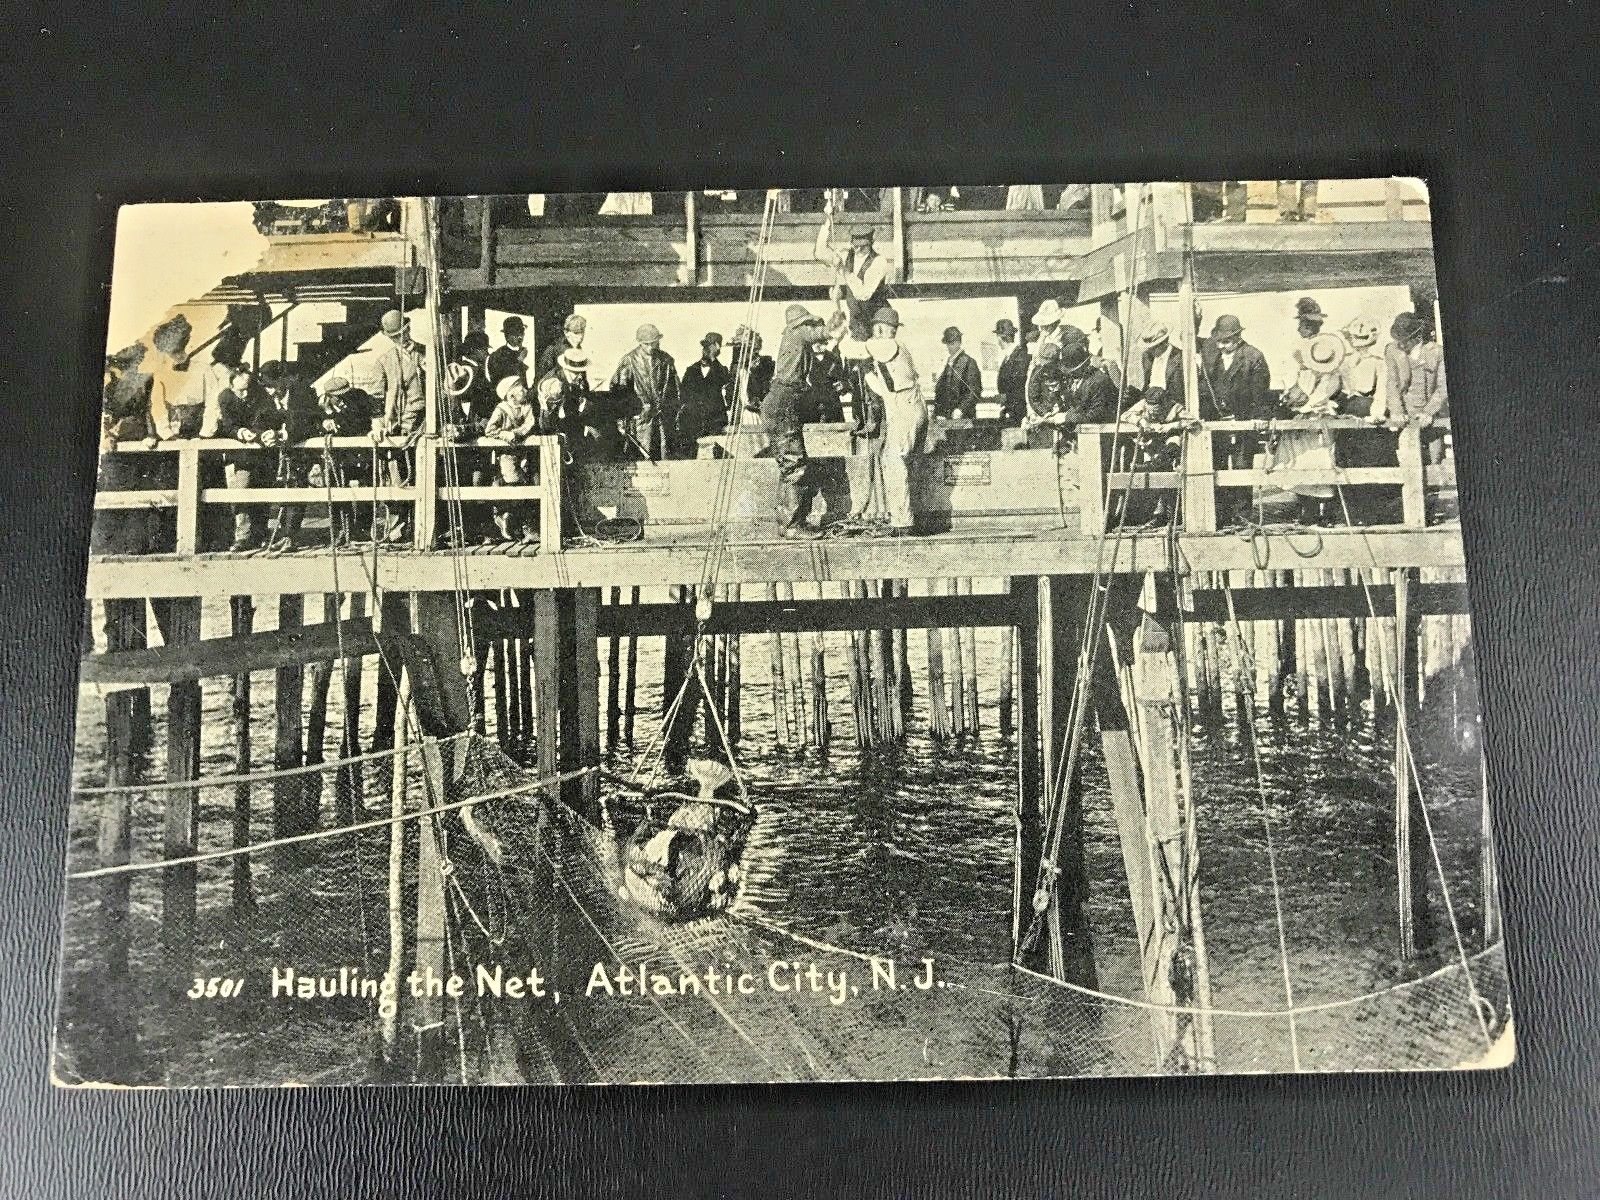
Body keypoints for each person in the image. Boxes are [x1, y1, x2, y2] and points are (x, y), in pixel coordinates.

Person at [762, 304, 839, 539]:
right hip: (784, 402)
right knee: (795, 466)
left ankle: (787, 523)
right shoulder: (797, 334)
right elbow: (823, 334)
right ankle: (794, 525)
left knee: (789, 466)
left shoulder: (791, 339)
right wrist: (835, 324)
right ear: (800, 324)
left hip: (780, 402)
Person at [1198, 314, 1273, 523]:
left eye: (1226, 341)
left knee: (1241, 466)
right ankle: (1221, 515)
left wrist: (1258, 417)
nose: (1221, 346)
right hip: (1218, 422)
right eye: (1219, 341)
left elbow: (1261, 392)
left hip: (1243, 421)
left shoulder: (1253, 356)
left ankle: (1243, 516)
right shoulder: (1212, 356)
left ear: (1238, 337)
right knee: (1218, 465)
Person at [862, 307, 929, 536]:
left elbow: (864, 347)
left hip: (905, 409)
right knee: (905, 462)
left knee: (895, 461)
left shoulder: (890, 345)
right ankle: (909, 517)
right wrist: (869, 377)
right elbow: (886, 389)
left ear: (880, 328)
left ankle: (903, 523)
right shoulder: (895, 351)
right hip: (906, 406)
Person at [1267, 332, 1346, 525]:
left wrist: (1306, 407)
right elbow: (1294, 396)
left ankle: (1326, 512)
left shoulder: (1333, 377)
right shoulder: (1304, 374)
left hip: (1319, 425)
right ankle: (1307, 510)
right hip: (1300, 425)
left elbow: (1321, 399)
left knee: (1322, 462)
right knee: (1300, 463)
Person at [369, 309, 425, 543]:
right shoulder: (384, 362)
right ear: (389, 338)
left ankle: (426, 526)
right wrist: (378, 424)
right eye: (396, 335)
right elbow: (376, 399)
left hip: (424, 425)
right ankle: (397, 529)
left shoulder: (427, 353)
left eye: (405, 331)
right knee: (397, 480)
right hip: (398, 429)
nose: (403, 337)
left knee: (428, 477)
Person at [1337, 317, 1399, 523]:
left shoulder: (1379, 362)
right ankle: (1353, 513)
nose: (1359, 342)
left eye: (1363, 338)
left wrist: (1378, 411)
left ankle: (1376, 513)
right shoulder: (1343, 362)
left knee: (1372, 460)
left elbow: (1382, 389)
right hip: (1347, 413)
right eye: (1355, 337)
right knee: (1347, 460)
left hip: (1369, 413)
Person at [253, 360, 321, 548]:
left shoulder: (302, 393)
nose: (271, 391)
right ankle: (281, 534)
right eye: (267, 387)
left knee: (296, 485)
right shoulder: (266, 396)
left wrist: (285, 434)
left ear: (283, 380)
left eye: (274, 386)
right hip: (278, 451)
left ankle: (290, 535)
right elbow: (259, 421)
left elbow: (307, 422)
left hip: (303, 448)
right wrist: (263, 435)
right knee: (280, 489)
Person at [440, 334, 496, 543]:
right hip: (468, 443)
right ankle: (467, 530)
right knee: (473, 485)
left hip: (467, 440)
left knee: (466, 484)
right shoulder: (475, 374)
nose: (486, 354)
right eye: (483, 350)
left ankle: (468, 530)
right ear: (474, 351)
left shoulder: (465, 372)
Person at [217, 365, 279, 551]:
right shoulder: (226, 397)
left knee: (262, 491)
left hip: (263, 452)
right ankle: (242, 536)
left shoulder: (259, 395)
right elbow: (227, 425)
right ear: (233, 380)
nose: (246, 379)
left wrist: (258, 433)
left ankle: (260, 534)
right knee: (241, 490)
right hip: (241, 454)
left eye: (247, 376)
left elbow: (268, 418)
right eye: (241, 376)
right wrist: (240, 432)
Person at [814, 206, 895, 341]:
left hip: (879, 320)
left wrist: (844, 270)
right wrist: (827, 221)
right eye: (855, 245)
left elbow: (863, 294)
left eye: (863, 246)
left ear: (871, 243)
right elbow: (820, 253)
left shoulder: (879, 262)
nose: (858, 250)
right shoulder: (847, 254)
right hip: (857, 321)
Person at [483, 375, 544, 543]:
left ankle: (520, 525)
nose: (525, 391)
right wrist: (504, 434)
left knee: (528, 482)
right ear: (511, 395)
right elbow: (490, 430)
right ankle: (505, 517)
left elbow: (530, 424)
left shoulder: (527, 408)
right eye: (521, 388)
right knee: (514, 482)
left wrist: (518, 433)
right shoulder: (502, 409)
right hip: (507, 455)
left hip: (524, 454)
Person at [1385, 312, 1448, 466]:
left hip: (1431, 418)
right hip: (1405, 418)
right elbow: (1392, 383)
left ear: (1417, 336)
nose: (1401, 345)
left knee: (1434, 462)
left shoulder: (1437, 352)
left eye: (1405, 341)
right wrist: (1397, 411)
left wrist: (1429, 411)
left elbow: (1443, 387)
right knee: (1408, 464)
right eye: (1398, 340)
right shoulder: (1392, 350)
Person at [610, 323, 679, 461]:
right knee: (642, 460)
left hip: (663, 420)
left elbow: (676, 390)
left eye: (653, 343)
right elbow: (618, 392)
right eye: (646, 344)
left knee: (664, 459)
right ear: (640, 343)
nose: (650, 347)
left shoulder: (666, 360)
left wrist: (674, 414)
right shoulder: (629, 360)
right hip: (640, 422)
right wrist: (627, 415)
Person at [674, 332, 732, 457]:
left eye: (712, 346)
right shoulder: (691, 370)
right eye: (706, 346)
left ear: (717, 348)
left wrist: (713, 361)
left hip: (715, 420)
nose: (707, 350)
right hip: (694, 420)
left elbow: (728, 387)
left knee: (716, 452)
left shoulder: (721, 370)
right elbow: (683, 394)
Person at [932, 326, 984, 420]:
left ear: (958, 343)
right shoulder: (949, 363)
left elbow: (974, 391)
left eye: (951, 343)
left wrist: (961, 409)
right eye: (948, 343)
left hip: (963, 417)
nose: (949, 347)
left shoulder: (969, 362)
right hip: (946, 417)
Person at [729, 325, 774, 415]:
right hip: (740, 414)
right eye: (736, 349)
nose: (738, 353)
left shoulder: (765, 365)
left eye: (742, 349)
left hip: (759, 413)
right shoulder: (736, 368)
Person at [994, 318, 1030, 427]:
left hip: (1020, 414)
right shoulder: (1009, 357)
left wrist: (1006, 397)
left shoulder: (1020, 357)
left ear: (1001, 338)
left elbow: (1023, 386)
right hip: (1011, 411)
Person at [1025, 299, 1065, 393]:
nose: (1042, 327)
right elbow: (1035, 358)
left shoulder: (1062, 337)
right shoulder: (1042, 337)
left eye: (1046, 324)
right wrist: (1042, 337)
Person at [537, 312, 587, 377]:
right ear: (566, 332)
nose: (581, 336)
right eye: (576, 332)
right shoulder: (552, 350)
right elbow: (540, 379)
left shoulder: (579, 350)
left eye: (582, 332)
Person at [487, 315, 530, 387]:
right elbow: (503, 381)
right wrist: (520, 360)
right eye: (515, 334)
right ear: (507, 336)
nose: (520, 337)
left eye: (521, 333)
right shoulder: (497, 355)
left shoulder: (521, 351)